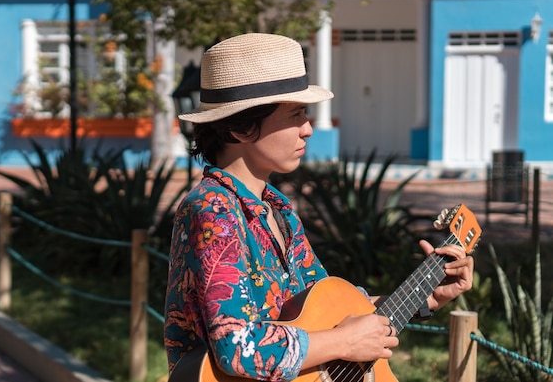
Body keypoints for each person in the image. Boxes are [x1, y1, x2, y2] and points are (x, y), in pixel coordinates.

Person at [164, 33, 474, 381]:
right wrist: (343, 342)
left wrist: (425, 296)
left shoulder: (278, 212)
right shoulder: (212, 211)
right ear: (241, 127)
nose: (308, 129)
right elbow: (237, 347)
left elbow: (325, 310)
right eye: (296, 115)